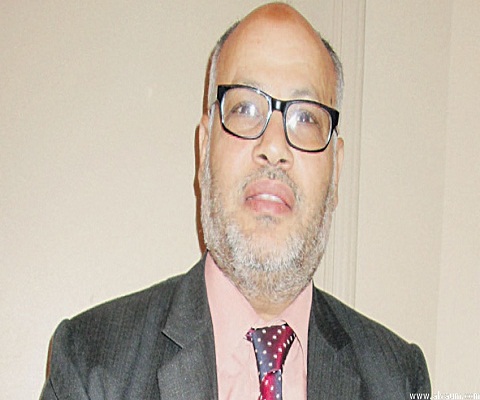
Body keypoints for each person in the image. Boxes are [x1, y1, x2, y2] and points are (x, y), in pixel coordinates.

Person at [40, 3, 430, 399]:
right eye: (245, 108)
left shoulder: (400, 379)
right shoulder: (91, 363)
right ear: (204, 149)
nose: (274, 147)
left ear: (336, 169)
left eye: (306, 118)